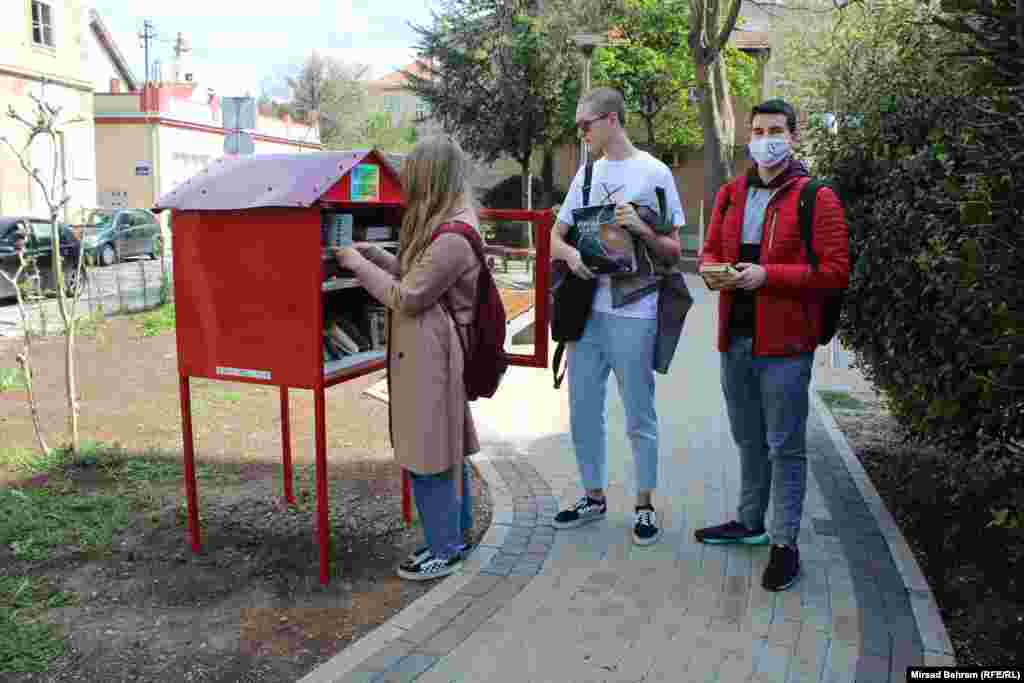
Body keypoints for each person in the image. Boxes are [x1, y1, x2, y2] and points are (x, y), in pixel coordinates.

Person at [695, 99, 849, 591]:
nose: (765, 139)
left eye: (776, 130)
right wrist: (712, 268)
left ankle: (785, 543)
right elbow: (713, 247)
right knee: (748, 439)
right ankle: (749, 520)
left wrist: (767, 277)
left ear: (793, 136)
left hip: (784, 346)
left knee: (785, 447)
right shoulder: (732, 193)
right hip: (734, 338)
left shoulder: (815, 197)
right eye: (758, 130)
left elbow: (834, 272)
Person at [333, 136, 479, 581]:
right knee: (443, 451)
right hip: (429, 352)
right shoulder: (448, 222)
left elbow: (409, 296)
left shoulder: (453, 234)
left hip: (432, 357)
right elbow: (420, 277)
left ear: (429, 177)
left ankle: (446, 548)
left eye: (413, 177)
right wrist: (377, 254)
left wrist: (357, 266)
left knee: (428, 455)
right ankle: (454, 538)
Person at [550, 87, 686, 546]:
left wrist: (641, 228)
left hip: (636, 312)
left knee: (638, 415)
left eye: (584, 124)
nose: (580, 132)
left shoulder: (655, 173)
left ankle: (644, 505)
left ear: (610, 120)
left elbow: (673, 252)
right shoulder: (585, 175)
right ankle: (593, 495)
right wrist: (570, 258)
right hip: (587, 314)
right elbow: (555, 238)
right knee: (583, 411)